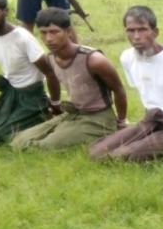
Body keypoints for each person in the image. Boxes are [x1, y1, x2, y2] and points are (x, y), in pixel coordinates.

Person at [88, 7, 163, 162]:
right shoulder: (127, 58)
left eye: (142, 30)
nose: (136, 37)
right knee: (97, 151)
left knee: (127, 156)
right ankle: (149, 136)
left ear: (155, 32)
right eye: (131, 31)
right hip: (151, 118)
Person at [11, 8, 128, 151]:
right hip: (73, 113)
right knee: (19, 141)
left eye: (54, 32)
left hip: (99, 118)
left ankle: (100, 133)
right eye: (43, 32)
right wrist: (55, 104)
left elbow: (119, 90)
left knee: (42, 146)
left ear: (68, 32)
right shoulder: (51, 58)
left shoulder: (93, 60)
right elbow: (52, 78)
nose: (48, 38)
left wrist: (121, 123)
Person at [0, 0, 62, 147]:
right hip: (12, 93)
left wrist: (55, 104)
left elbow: (49, 72)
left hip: (32, 97)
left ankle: (45, 115)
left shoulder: (22, 38)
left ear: (5, 12)